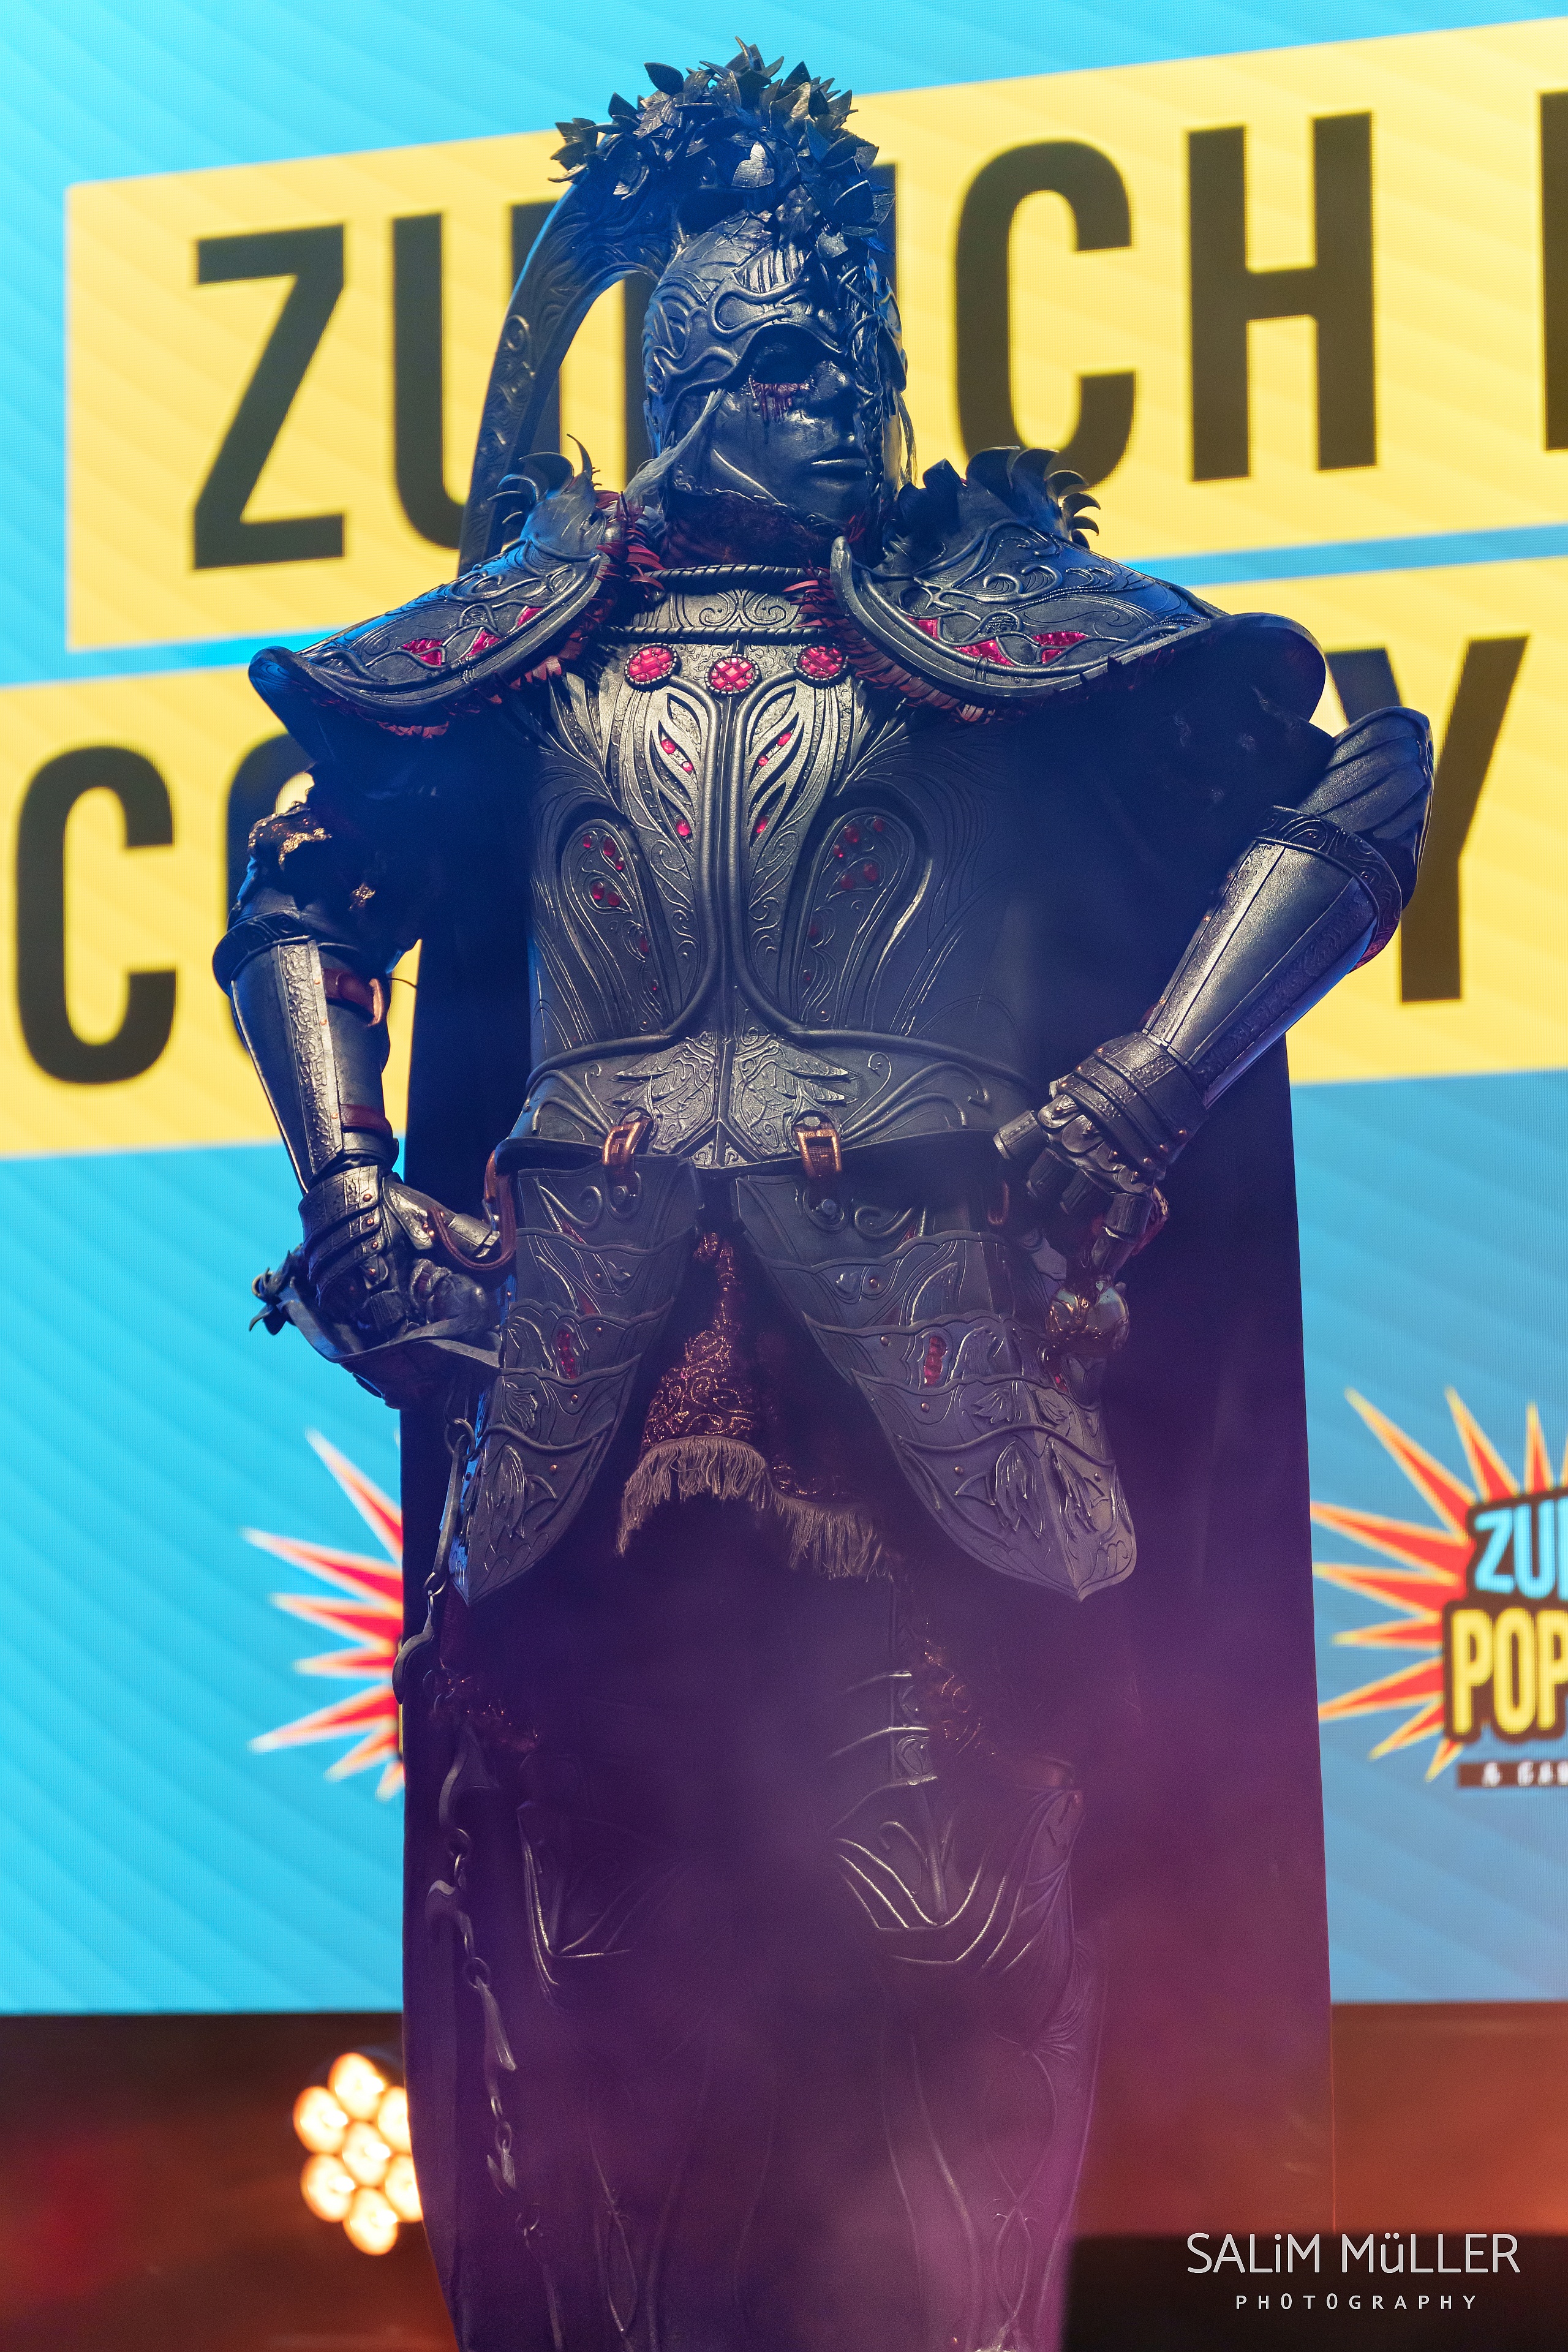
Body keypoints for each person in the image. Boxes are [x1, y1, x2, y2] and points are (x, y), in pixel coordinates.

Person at [217, 48, 1432, 2352]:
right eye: (791, 357)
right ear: (682, 373)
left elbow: (1359, 784)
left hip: (925, 1434)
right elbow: (302, 883)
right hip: (579, 1454)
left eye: (866, 358)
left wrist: (1140, 1096)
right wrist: (349, 1183)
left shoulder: (991, 625)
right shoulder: (539, 649)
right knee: (590, 2021)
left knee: (944, 1967)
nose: (847, 400)